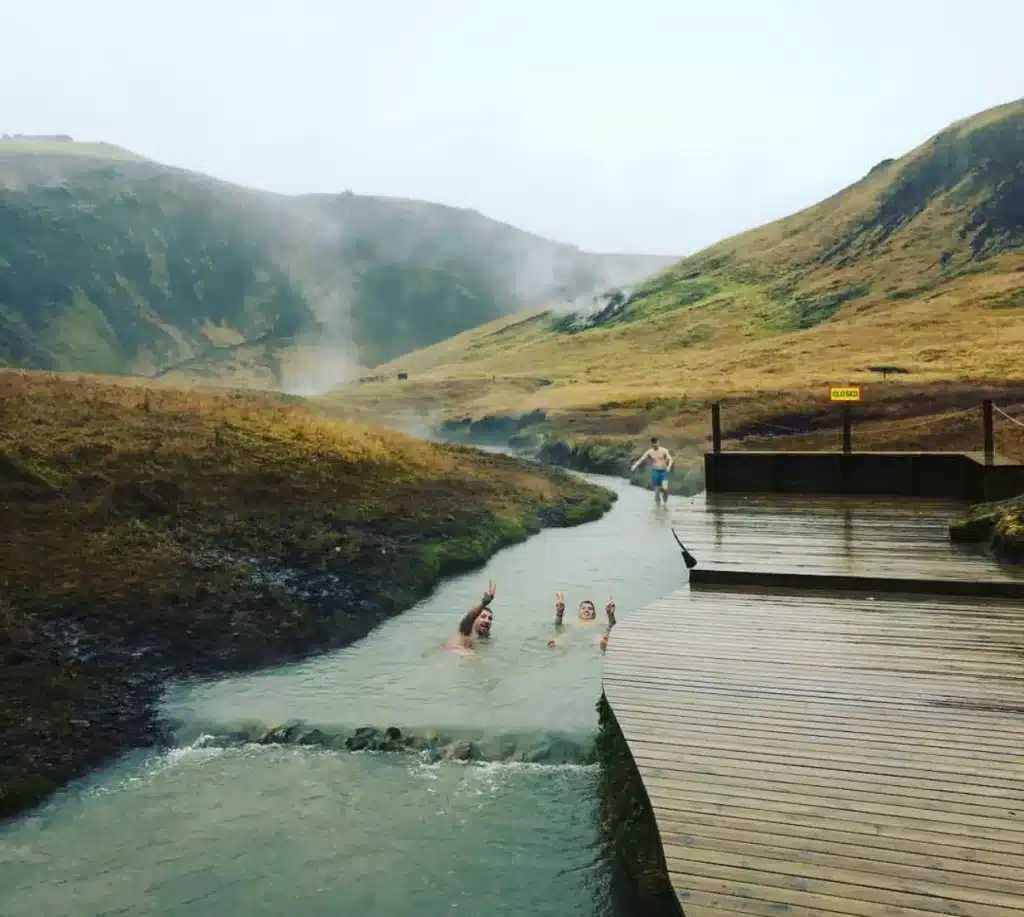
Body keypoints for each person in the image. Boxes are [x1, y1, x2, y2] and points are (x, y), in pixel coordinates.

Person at [548, 592, 616, 650]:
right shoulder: (571, 620)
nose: (586, 610)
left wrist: (610, 615)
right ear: (579, 612)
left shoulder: (598, 622)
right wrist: (559, 613)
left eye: (590, 609)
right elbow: (558, 626)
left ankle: (603, 645)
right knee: (563, 636)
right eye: (583, 608)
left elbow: (611, 627)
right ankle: (555, 644)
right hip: (572, 634)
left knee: (600, 638)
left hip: (592, 635)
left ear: (594, 614)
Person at [449, 580, 497, 649]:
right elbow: (469, 618)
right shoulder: (465, 632)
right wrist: (483, 604)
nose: (487, 621)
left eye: (490, 618)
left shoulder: (484, 639)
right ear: (474, 619)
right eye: (483, 617)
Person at [631, 436, 674, 506]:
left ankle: (665, 503)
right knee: (657, 490)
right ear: (651, 444)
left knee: (665, 488)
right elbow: (641, 459)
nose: (655, 444)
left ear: (658, 442)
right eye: (653, 443)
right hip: (655, 472)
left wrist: (669, 466)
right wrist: (634, 466)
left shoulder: (664, 450)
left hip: (664, 471)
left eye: (656, 443)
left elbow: (671, 459)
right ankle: (658, 507)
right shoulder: (649, 452)